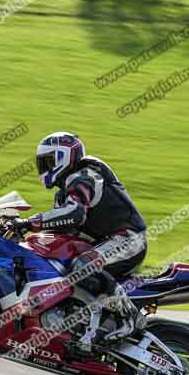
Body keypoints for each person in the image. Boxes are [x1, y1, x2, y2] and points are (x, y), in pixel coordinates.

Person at [14, 132, 148, 354]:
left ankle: (129, 316)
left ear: (65, 157)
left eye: (49, 161)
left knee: (82, 266)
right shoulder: (65, 192)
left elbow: (75, 214)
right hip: (105, 242)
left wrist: (29, 222)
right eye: (42, 163)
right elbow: (61, 227)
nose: (45, 167)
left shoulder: (85, 177)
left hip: (128, 238)